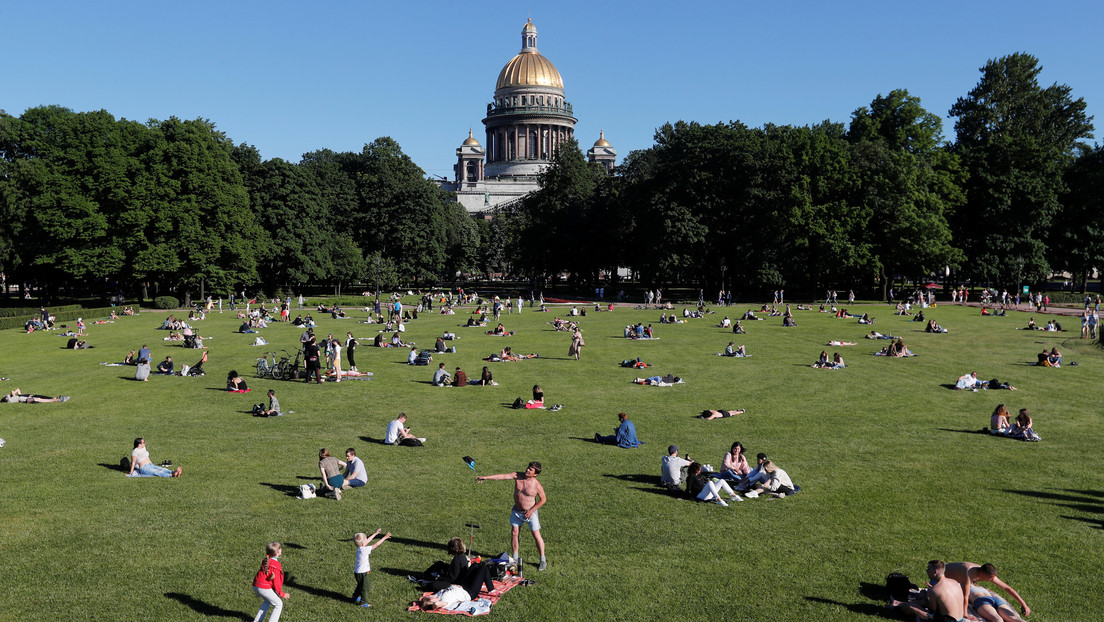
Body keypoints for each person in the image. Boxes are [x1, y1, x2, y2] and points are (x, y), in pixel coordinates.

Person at [476, 461, 547, 571]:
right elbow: (503, 476)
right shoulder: (517, 476)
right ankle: (515, 559)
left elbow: (543, 500)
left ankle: (542, 560)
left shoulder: (537, 485)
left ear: (535, 474)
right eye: (528, 467)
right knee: (514, 533)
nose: (527, 470)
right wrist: (486, 478)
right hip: (516, 511)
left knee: (536, 534)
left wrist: (532, 511)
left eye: (531, 469)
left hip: (530, 512)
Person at [944, 562, 1031, 619]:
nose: (991, 580)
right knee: (998, 620)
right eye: (990, 578)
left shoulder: (986, 573)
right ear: (982, 574)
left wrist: (1023, 604)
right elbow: (965, 595)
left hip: (988, 599)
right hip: (944, 574)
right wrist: (965, 613)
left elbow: (1006, 588)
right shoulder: (967, 574)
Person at [891, 560, 965, 622]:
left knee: (911, 606)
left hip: (946, 620)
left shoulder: (935, 590)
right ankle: (899, 603)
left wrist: (924, 596)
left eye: (929, 569)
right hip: (960, 619)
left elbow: (932, 610)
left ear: (935, 572)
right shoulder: (954, 582)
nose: (927, 571)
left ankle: (896, 607)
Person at [351, 528, 391, 608]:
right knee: (365, 587)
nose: (367, 540)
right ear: (363, 543)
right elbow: (376, 545)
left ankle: (355, 597)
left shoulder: (360, 548)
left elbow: (367, 541)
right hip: (363, 573)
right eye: (366, 539)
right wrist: (384, 538)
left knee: (360, 585)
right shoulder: (364, 550)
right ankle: (363, 603)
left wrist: (375, 533)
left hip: (357, 572)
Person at [251, 542, 289, 622]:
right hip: (263, 587)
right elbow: (277, 582)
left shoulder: (266, 560)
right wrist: (282, 594)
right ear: (278, 552)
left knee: (267, 601)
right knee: (278, 604)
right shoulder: (276, 565)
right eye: (280, 548)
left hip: (256, 585)